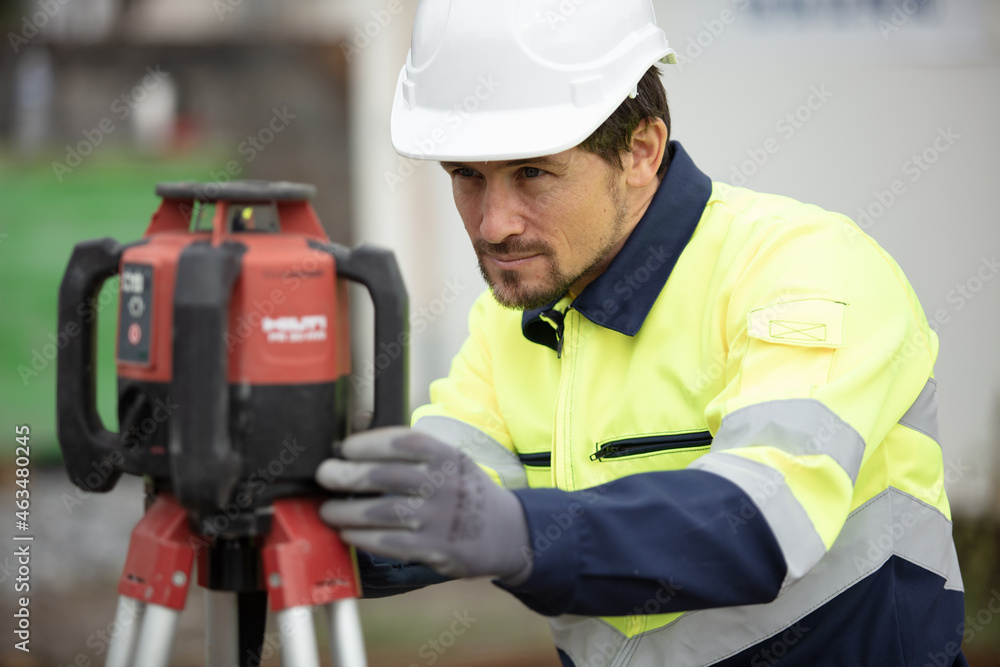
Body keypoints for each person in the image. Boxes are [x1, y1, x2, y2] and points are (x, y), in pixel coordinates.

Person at [316, 1, 968, 665]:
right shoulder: (513, 318)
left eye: (532, 173)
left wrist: (520, 533)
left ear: (640, 151)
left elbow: (761, 521)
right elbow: (437, 501)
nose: (493, 224)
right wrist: (290, 511)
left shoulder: (806, 269)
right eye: (467, 176)